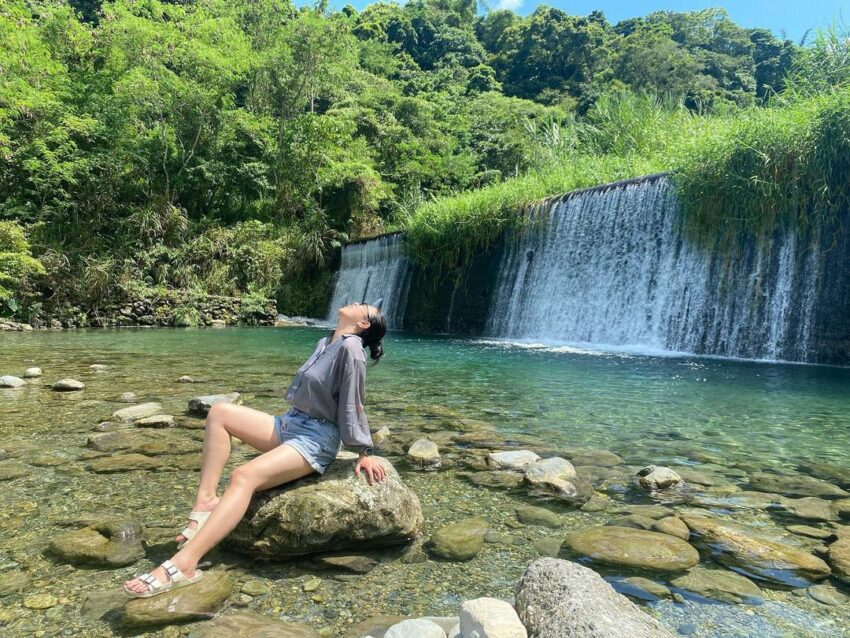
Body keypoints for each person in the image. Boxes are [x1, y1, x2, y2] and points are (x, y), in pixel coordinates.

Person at [123, 301, 388, 597]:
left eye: (362, 306)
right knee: (220, 413)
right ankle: (206, 502)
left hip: (316, 438)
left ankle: (185, 563)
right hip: (292, 423)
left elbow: (354, 402)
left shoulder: (351, 348)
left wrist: (364, 451)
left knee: (243, 475)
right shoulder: (325, 341)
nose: (354, 302)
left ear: (364, 324)